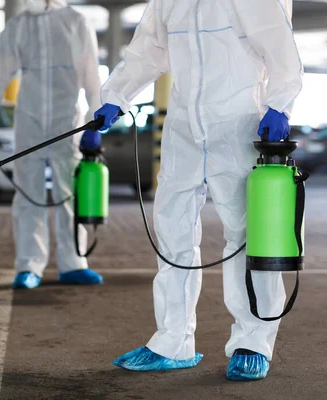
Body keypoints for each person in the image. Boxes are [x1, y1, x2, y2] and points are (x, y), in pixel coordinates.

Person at [95, 0, 303, 381]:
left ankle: (252, 343)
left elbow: (280, 47)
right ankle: (173, 341)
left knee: (245, 236)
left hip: (238, 124)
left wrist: (279, 105)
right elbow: (148, 51)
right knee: (171, 229)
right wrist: (116, 96)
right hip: (183, 127)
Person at [0, 0, 104, 289]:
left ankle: (74, 264)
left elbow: (92, 76)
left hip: (66, 121)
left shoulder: (76, 22)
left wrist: (96, 120)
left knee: (69, 194)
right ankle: (29, 265)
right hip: (29, 121)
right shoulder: (20, 25)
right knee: (27, 194)